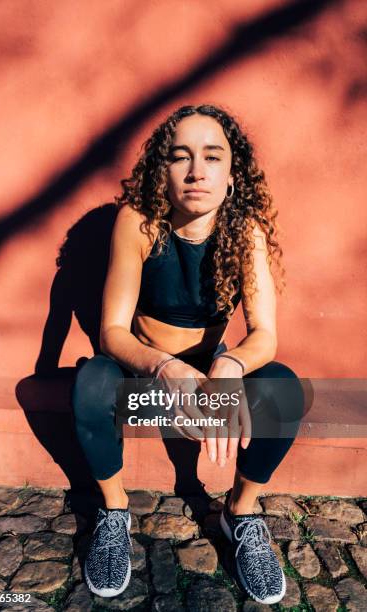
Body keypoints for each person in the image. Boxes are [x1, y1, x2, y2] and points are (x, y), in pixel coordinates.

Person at [71, 104, 304, 604]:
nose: (197, 171)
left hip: (209, 374)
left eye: (212, 157)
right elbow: (112, 330)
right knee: (90, 382)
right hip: (145, 371)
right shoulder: (137, 222)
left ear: (231, 174)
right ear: (164, 171)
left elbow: (265, 334)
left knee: (283, 387)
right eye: (180, 157)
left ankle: (240, 513)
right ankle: (114, 512)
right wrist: (163, 365)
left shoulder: (246, 233)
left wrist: (230, 363)